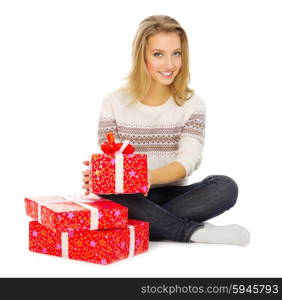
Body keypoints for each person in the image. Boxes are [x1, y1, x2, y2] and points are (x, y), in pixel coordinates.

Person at [82, 15, 250, 246]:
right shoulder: (113, 103)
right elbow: (112, 158)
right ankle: (190, 231)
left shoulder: (193, 104)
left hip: (173, 194)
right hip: (131, 197)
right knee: (109, 195)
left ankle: (148, 223)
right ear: (142, 56)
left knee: (225, 187)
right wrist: (101, 176)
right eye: (158, 54)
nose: (170, 65)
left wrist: (146, 177)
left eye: (176, 53)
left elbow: (189, 160)